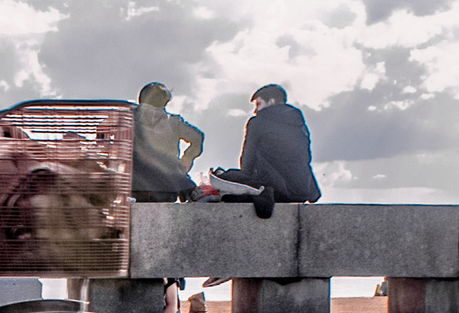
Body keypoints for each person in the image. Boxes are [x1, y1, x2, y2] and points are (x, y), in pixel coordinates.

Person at [207, 83, 320, 218]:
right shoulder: (299, 123)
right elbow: (306, 156)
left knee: (226, 177)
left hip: (276, 191)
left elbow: (247, 158)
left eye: (258, 104)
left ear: (271, 102)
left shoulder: (258, 122)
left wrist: (245, 181)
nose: (255, 110)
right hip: (303, 190)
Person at [131, 81, 203, 201]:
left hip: (135, 185)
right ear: (166, 101)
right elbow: (197, 137)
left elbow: (103, 129)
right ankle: (189, 191)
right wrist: (187, 158)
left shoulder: (127, 118)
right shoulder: (174, 122)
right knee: (173, 166)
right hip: (166, 187)